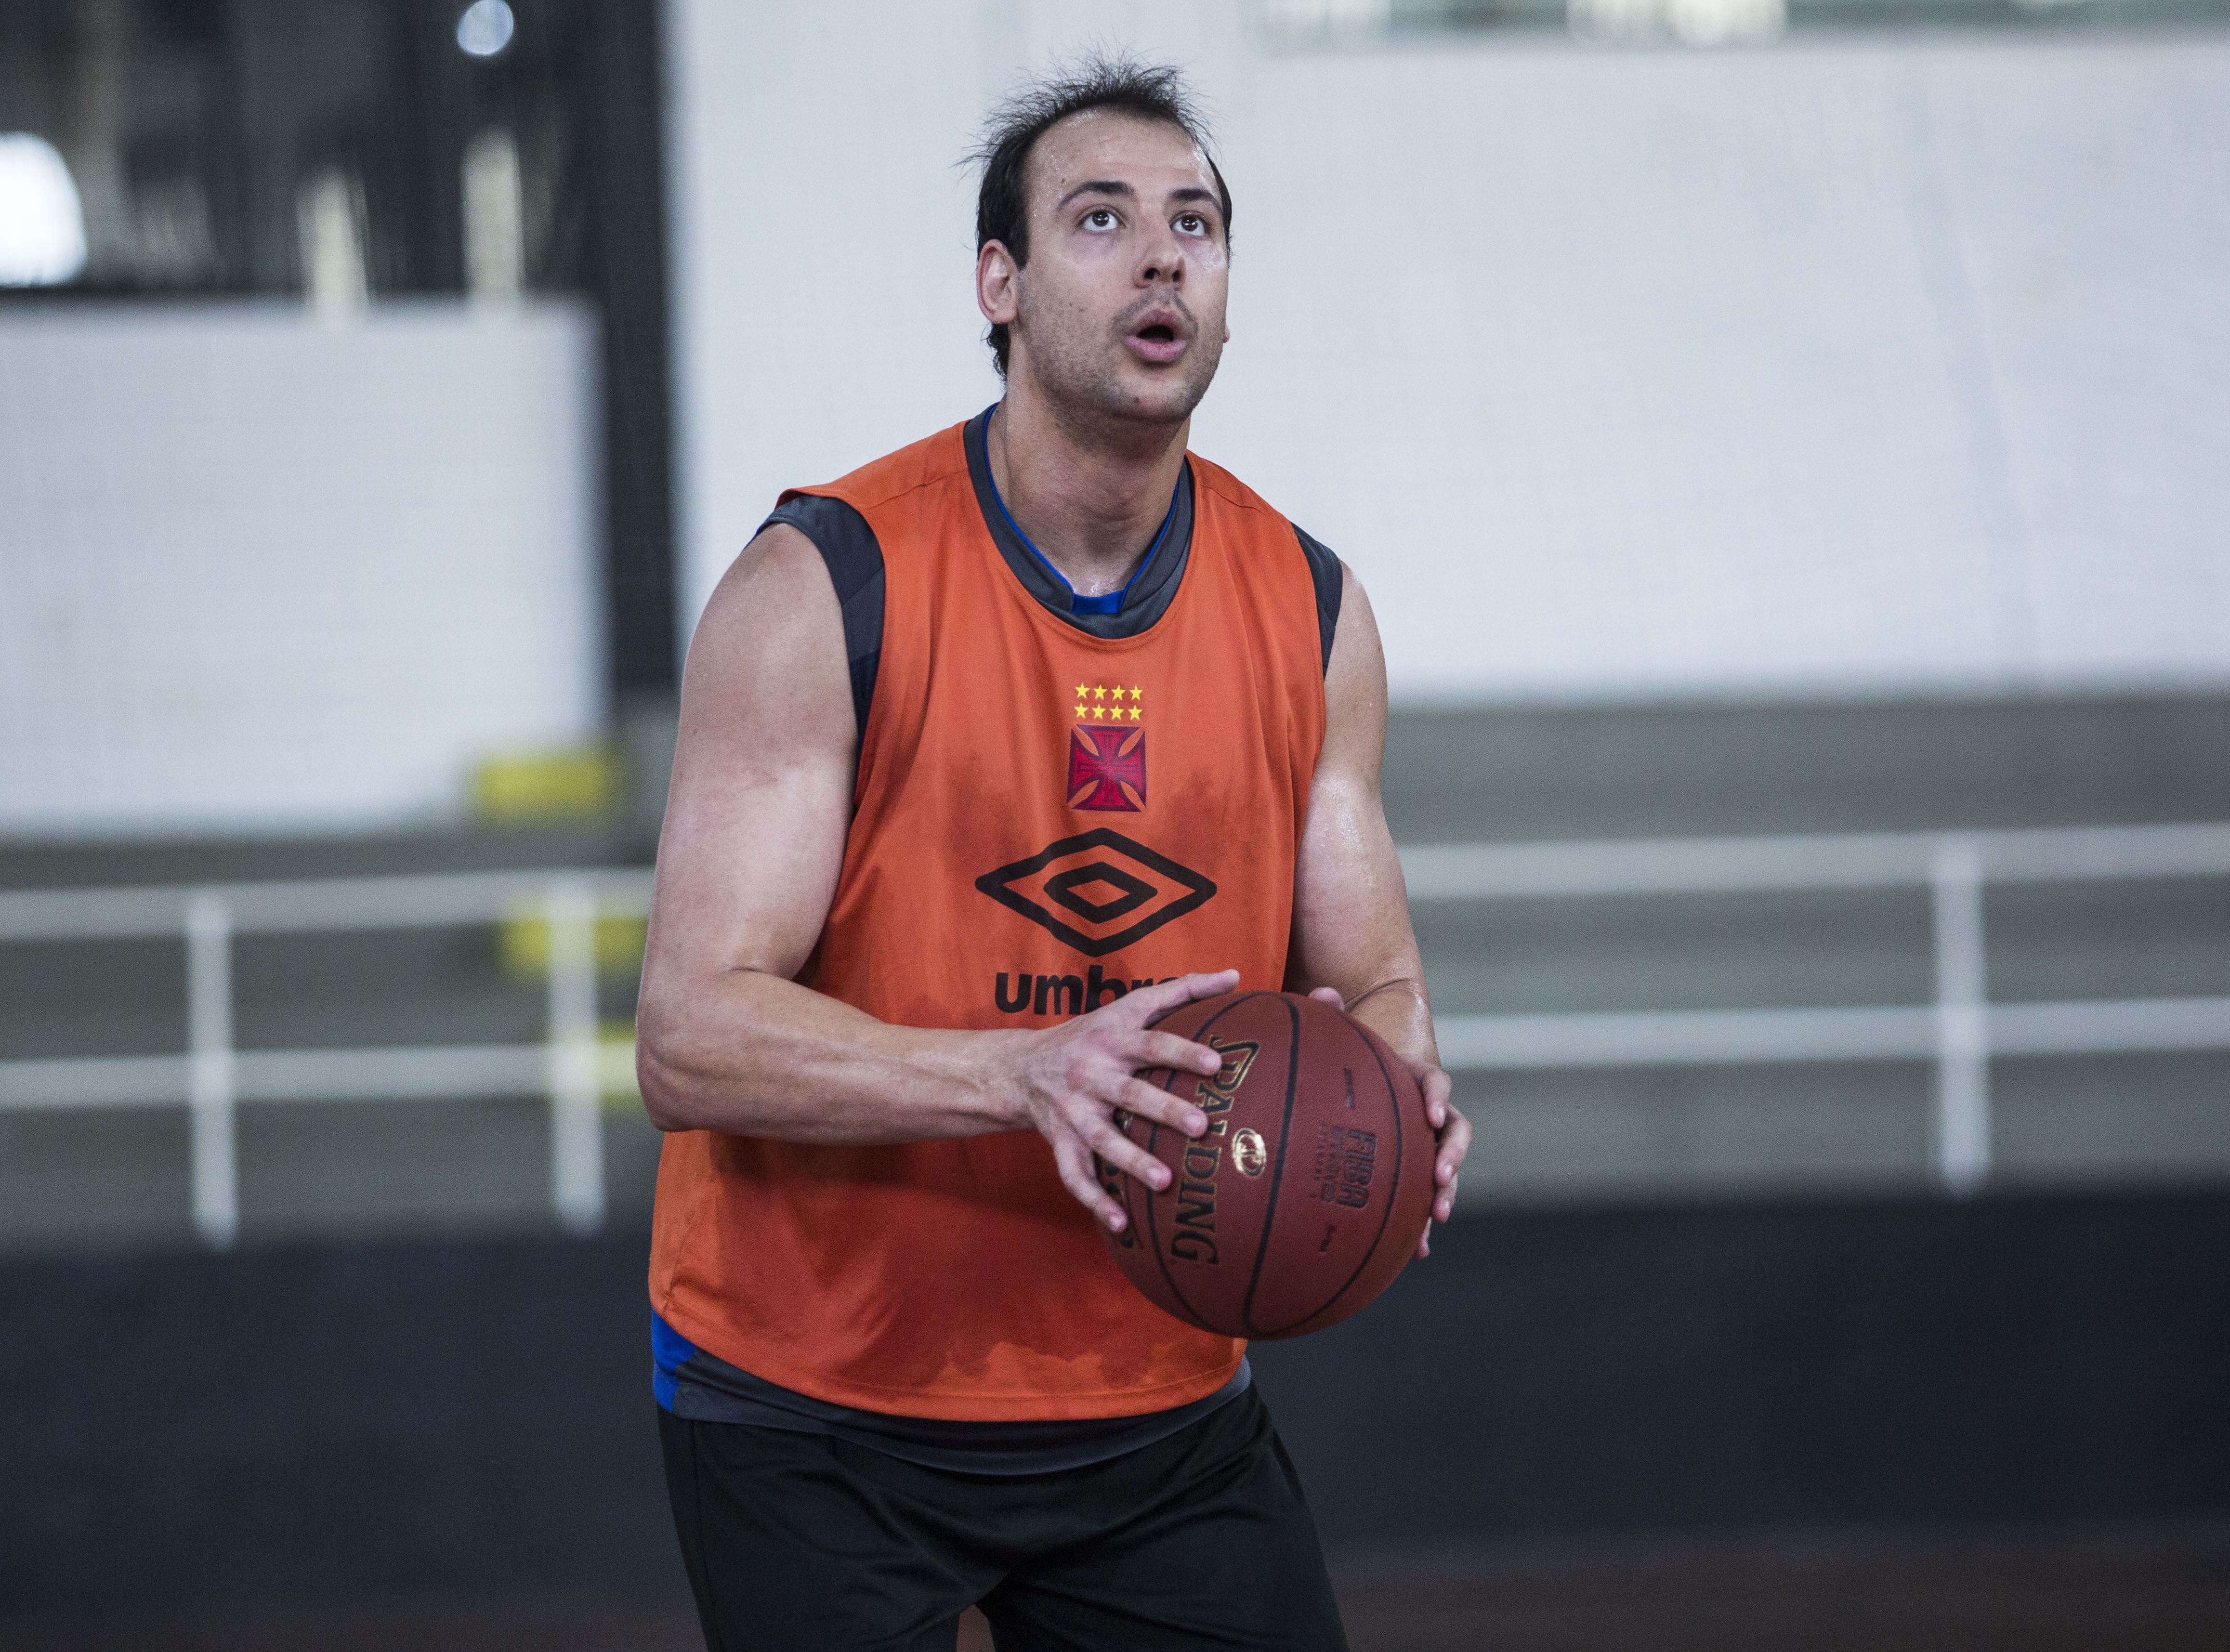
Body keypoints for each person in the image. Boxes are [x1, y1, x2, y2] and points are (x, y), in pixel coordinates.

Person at [636, 55, 1471, 1652]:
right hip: (811, 1399)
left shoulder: (1309, 610)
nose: (1161, 256)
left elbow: (1377, 982)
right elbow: (687, 1035)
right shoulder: (824, 586)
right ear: (998, 284)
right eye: (1100, 220)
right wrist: (1024, 1073)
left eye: (1194, 225)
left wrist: (1396, 1084)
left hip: (1154, 1399)